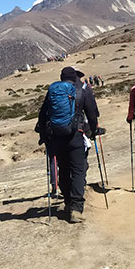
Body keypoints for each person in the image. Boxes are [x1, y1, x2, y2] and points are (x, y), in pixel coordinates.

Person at [36, 67, 100, 223]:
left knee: (63, 169)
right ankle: (76, 209)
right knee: (78, 170)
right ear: (75, 78)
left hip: (56, 137)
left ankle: (67, 203)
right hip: (75, 136)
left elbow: (43, 114)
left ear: (61, 77)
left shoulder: (53, 91)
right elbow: (91, 113)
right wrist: (93, 130)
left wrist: (44, 135)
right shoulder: (81, 91)